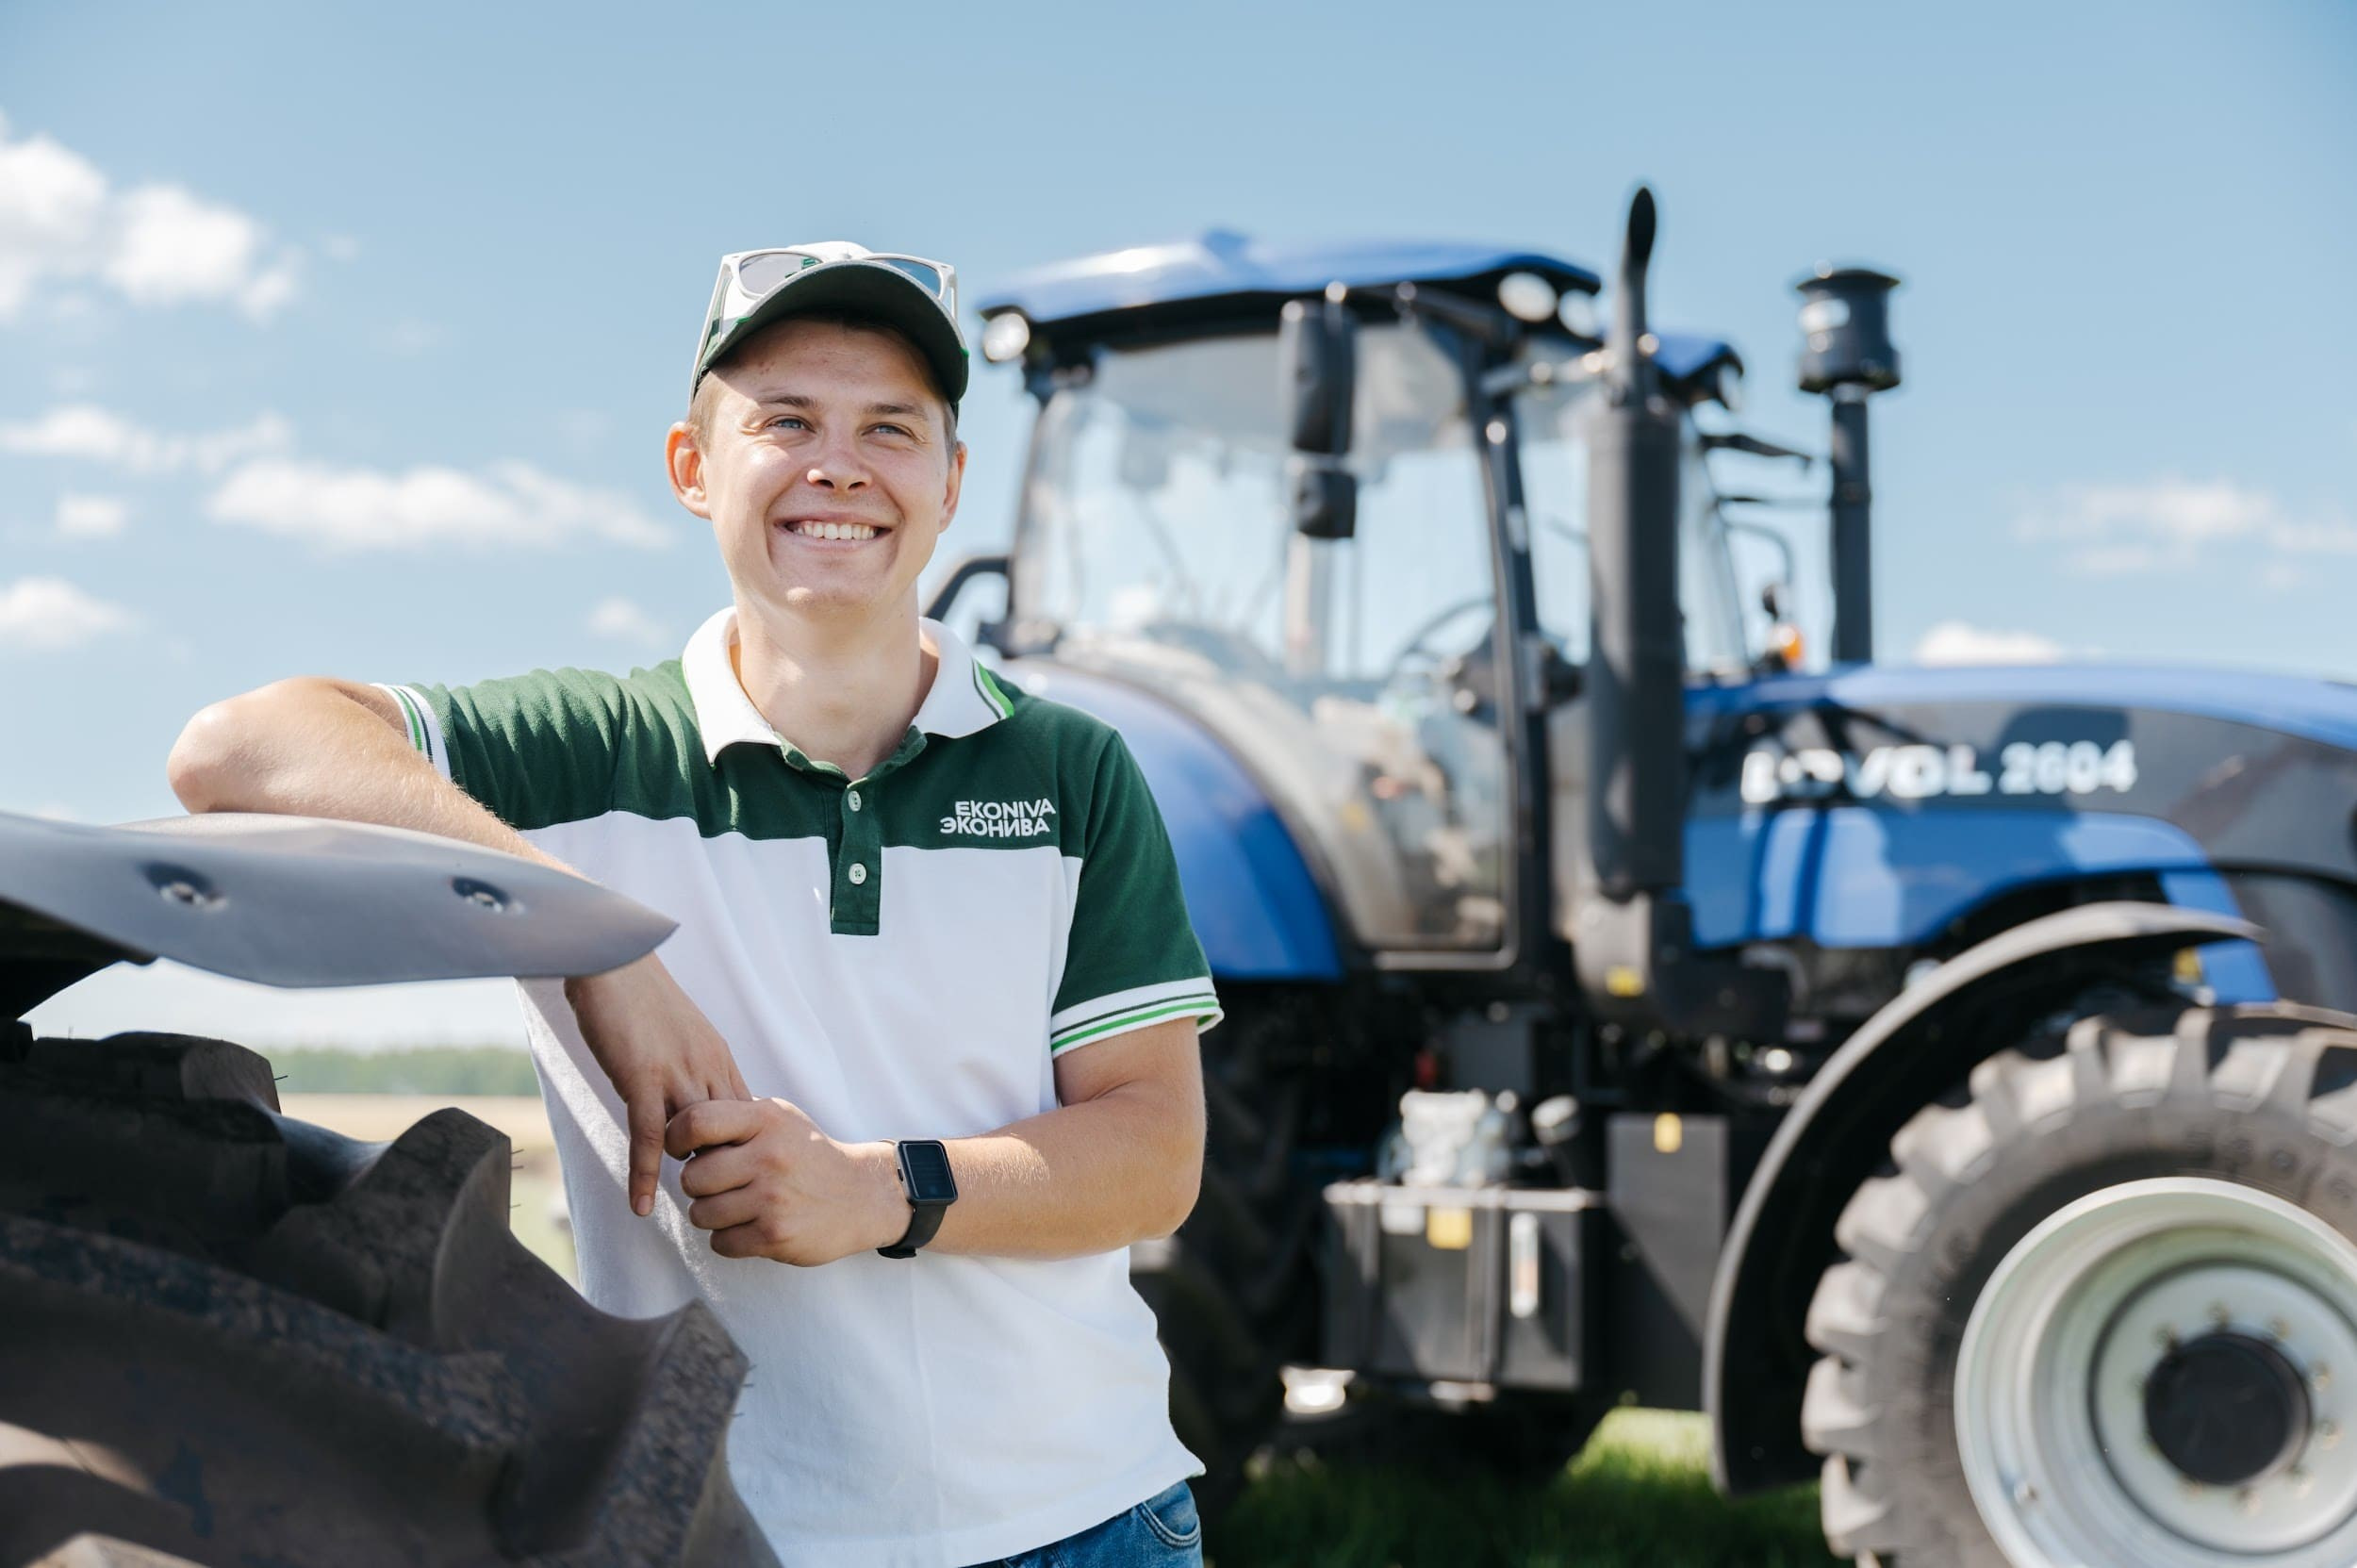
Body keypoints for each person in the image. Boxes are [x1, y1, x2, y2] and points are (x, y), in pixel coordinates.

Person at [167, 241, 1218, 1568]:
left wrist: (877, 1191)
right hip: (724, 1534)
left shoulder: (1072, 772)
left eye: (890, 429)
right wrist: (592, 935)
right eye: (786, 421)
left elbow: (1152, 1153)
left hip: (1088, 1520)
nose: (839, 464)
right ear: (692, 468)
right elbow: (236, 747)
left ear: (949, 486)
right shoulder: (588, 750)